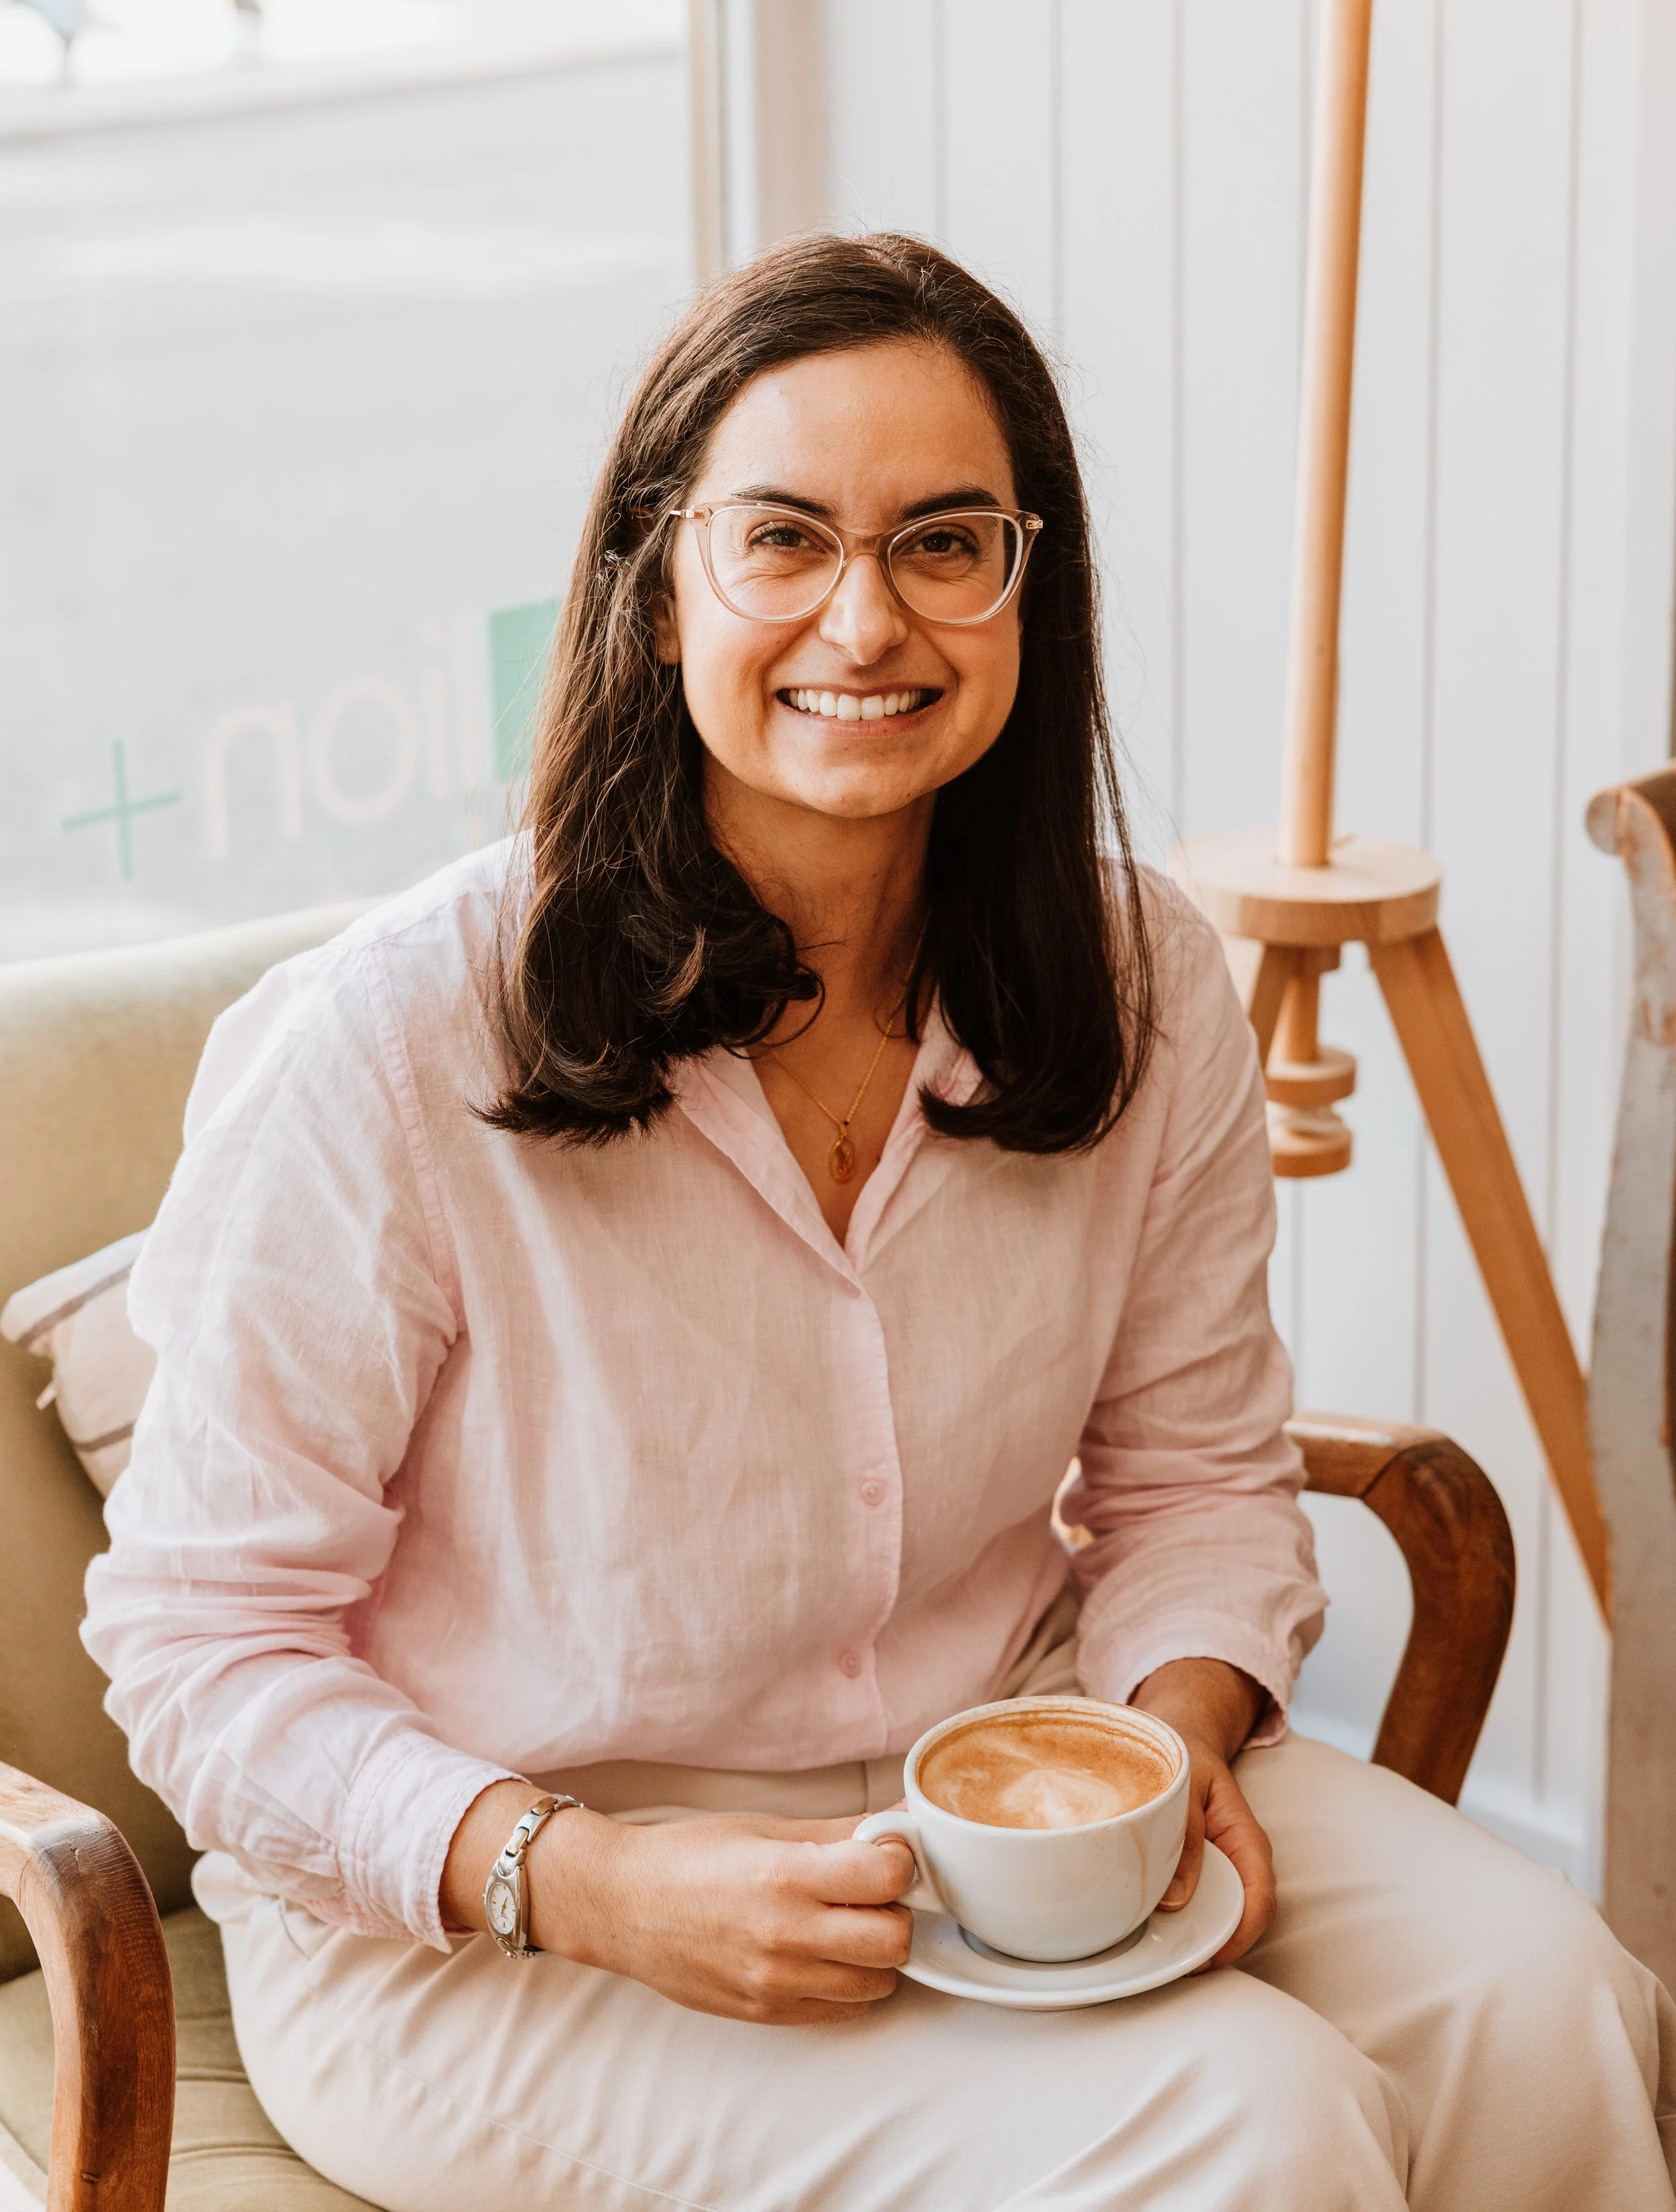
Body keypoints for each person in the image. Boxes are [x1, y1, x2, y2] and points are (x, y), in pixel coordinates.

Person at [84, 235, 1675, 2211]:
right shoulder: (398, 1040)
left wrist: (1161, 1755)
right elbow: (196, 1641)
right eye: (781, 539)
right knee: (1253, 2127)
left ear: (1030, 591)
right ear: (657, 593)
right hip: (485, 1915)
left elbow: (1193, 1480)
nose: (867, 614)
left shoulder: (1144, 978)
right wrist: (577, 1877)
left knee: (1558, 2005)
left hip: (1003, 1766)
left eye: (945, 541)